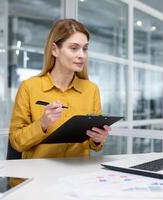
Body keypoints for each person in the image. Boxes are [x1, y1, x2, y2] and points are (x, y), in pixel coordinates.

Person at [9, 19, 111, 159]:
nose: (82, 55)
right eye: (74, 48)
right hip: (39, 175)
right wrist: (43, 123)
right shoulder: (29, 87)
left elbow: (94, 146)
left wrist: (98, 138)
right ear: (54, 50)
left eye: (85, 48)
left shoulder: (91, 89)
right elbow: (16, 142)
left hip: (77, 174)